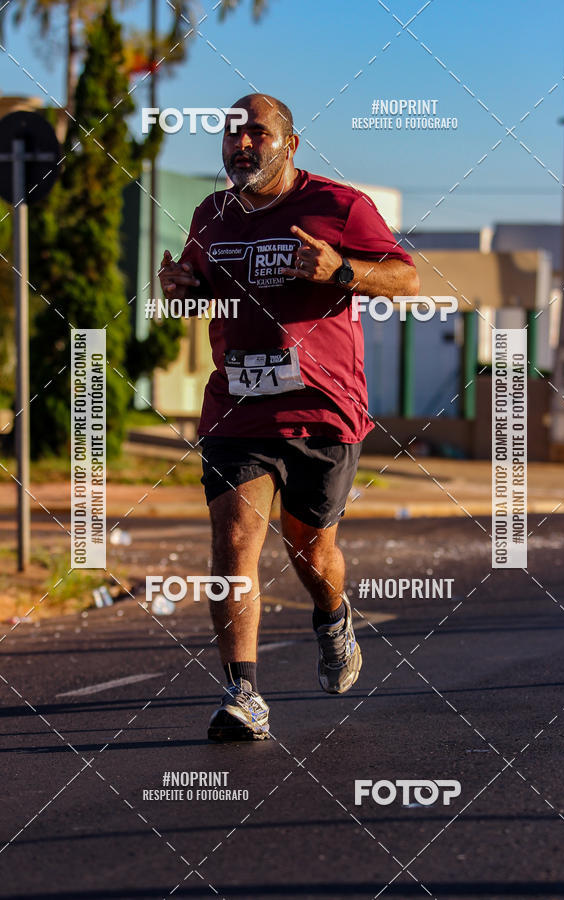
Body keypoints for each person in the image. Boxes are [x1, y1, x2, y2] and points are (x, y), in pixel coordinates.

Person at [158, 93, 419, 741]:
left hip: (322, 411)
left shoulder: (339, 205)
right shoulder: (211, 214)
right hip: (236, 409)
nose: (241, 143)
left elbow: (408, 281)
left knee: (310, 549)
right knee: (235, 542)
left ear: (290, 144)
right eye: (230, 134)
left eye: (257, 132)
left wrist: (343, 269)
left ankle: (332, 615)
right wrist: (179, 288)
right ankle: (243, 691)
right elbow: (196, 283)